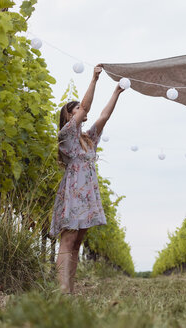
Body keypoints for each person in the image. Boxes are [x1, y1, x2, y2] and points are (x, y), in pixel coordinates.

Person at [50, 65, 125, 293]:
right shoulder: (66, 135)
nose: (82, 111)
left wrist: (116, 92)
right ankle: (63, 291)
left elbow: (103, 116)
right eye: (76, 110)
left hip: (87, 192)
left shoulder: (87, 138)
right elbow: (88, 106)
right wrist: (94, 79)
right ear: (68, 116)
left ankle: (70, 289)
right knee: (69, 239)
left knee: (78, 241)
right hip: (74, 191)